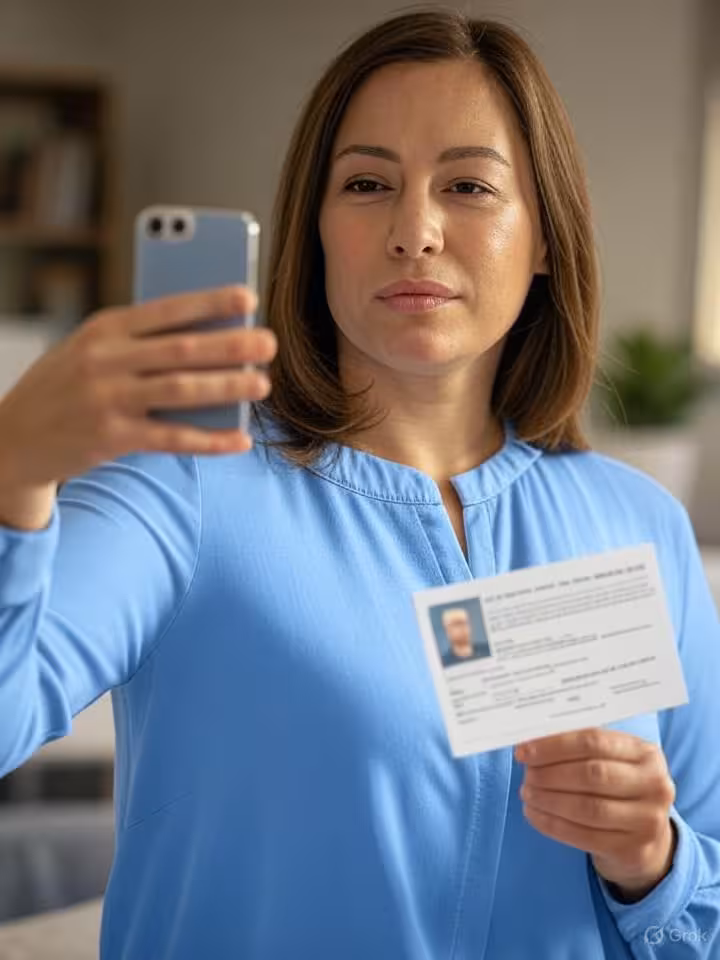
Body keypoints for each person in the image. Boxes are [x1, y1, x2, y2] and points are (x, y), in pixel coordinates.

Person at [0, 9, 718, 959]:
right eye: (369, 183)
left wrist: (655, 861)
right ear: (317, 231)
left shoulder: (640, 526)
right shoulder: (182, 486)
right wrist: (12, 470)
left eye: (468, 185)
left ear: (545, 236)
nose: (414, 230)